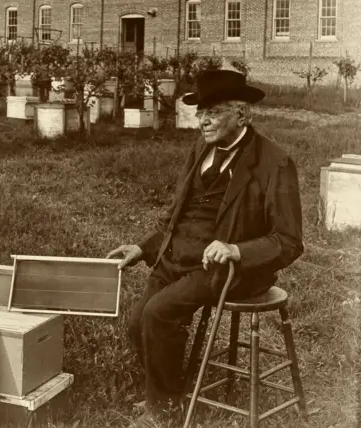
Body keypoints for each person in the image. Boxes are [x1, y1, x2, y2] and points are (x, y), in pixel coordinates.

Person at [107, 69, 304, 428]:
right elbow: (178, 212)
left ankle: (163, 410)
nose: (202, 121)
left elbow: (289, 241)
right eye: (200, 113)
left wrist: (236, 250)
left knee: (159, 314)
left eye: (212, 112)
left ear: (242, 114)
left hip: (228, 269)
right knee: (137, 323)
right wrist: (143, 247)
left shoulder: (274, 163)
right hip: (178, 254)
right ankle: (168, 387)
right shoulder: (201, 149)